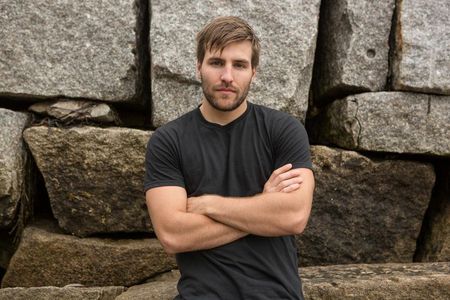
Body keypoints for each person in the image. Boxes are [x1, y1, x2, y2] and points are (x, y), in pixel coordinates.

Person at [144, 16, 315, 300]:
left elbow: (293, 216)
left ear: (253, 72)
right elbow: (173, 235)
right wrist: (263, 206)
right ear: (198, 67)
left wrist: (209, 204)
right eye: (216, 63)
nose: (227, 76)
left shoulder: (283, 130)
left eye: (239, 65)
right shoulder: (168, 140)